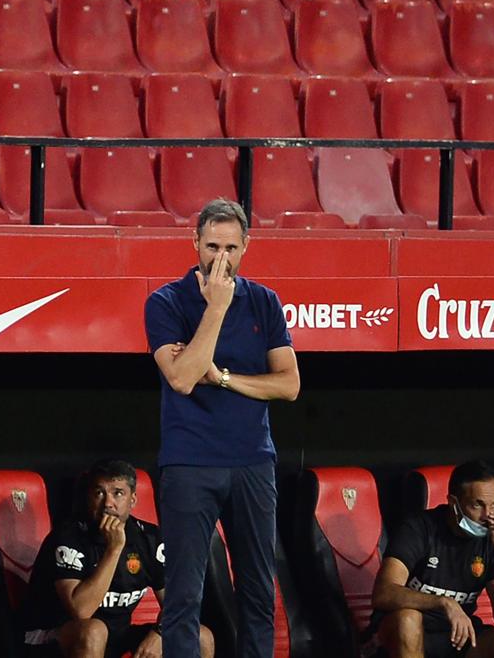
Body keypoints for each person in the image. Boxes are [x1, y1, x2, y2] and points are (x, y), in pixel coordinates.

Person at [143, 198, 300, 658]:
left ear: (246, 245)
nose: (221, 259)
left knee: (256, 591)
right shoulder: (166, 302)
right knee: (184, 596)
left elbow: (289, 385)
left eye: (231, 248)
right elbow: (183, 377)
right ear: (194, 243)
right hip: (190, 463)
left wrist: (226, 378)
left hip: (253, 462)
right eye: (212, 246)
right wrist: (215, 309)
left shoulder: (265, 301)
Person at [21, 460, 214, 658]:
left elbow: (178, 602)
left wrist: (160, 633)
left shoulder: (149, 538)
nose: (108, 503)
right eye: (99, 493)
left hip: (117, 635)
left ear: (133, 500)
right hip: (53, 635)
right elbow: (82, 611)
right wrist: (114, 549)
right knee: (93, 631)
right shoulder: (67, 537)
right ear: (89, 498)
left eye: (118, 493)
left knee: (200, 636)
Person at [366, 461, 494, 658]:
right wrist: (444, 602)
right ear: (454, 503)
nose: (487, 516)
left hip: (458, 636)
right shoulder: (419, 528)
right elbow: (383, 593)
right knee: (408, 619)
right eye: (477, 505)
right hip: (408, 633)